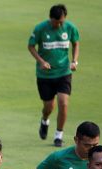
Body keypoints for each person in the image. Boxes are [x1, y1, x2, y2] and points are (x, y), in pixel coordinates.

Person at [28, 4, 80, 147]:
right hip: (45, 75)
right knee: (49, 107)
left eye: (61, 21)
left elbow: (76, 43)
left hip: (64, 72)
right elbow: (31, 46)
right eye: (57, 22)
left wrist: (74, 61)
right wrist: (41, 61)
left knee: (63, 103)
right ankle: (45, 120)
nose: (59, 24)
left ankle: (58, 135)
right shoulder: (40, 29)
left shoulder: (70, 28)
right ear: (50, 18)